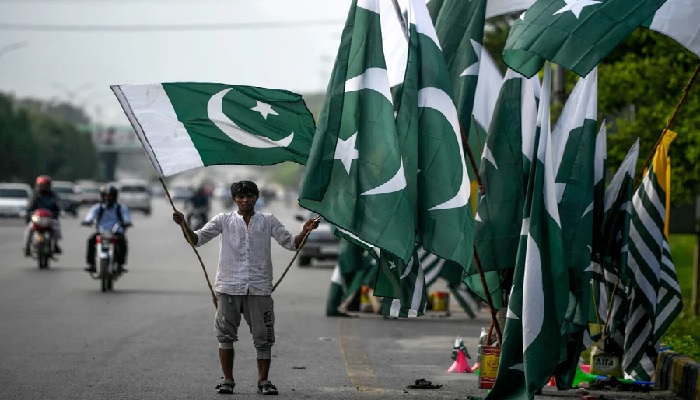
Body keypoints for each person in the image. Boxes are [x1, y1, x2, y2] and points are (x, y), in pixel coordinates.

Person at [172, 180, 319, 396]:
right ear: (234, 199)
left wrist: (305, 230)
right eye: (240, 197)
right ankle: (228, 381)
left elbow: (291, 244)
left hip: (259, 288)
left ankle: (264, 381)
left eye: (249, 196)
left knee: (264, 337)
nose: (244, 200)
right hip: (228, 287)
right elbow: (197, 239)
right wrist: (184, 223)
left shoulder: (268, 221)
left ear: (256, 197)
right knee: (225, 336)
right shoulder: (223, 220)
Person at [82, 184, 132, 273]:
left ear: (115, 196)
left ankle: (120, 264)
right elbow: (90, 215)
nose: (108, 198)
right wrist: (88, 221)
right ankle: (91, 264)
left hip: (116, 232)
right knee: (91, 240)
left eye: (110, 196)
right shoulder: (98, 207)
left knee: (122, 242)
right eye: (106, 196)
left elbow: (126, 217)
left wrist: (126, 222)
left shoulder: (121, 208)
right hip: (101, 232)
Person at [24, 175, 62, 256]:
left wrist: (58, 212)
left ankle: (55, 245)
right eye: (41, 185)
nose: (43, 187)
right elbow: (29, 207)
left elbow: (58, 206)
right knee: (29, 229)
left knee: (56, 228)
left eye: (45, 185)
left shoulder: (53, 196)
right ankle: (27, 247)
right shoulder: (35, 196)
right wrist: (28, 213)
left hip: (50, 218)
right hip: (37, 218)